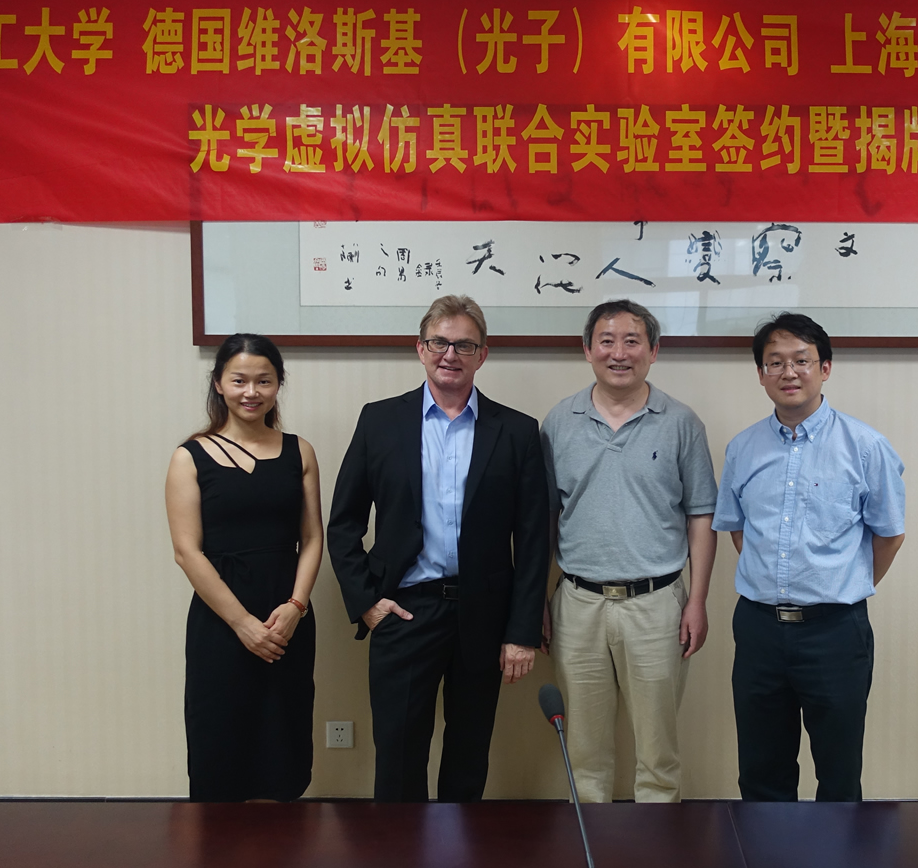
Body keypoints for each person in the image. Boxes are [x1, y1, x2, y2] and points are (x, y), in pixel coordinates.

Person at [328, 295, 550, 802]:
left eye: (464, 345)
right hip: (404, 611)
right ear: (421, 349)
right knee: (399, 755)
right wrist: (367, 602)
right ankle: (400, 851)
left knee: (469, 754)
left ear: (482, 355)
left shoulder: (516, 431)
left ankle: (458, 851)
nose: (451, 354)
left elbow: (533, 539)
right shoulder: (380, 421)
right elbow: (342, 524)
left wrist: (521, 632)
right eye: (439, 343)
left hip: (483, 615)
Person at [712, 313, 905, 802]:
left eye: (801, 360)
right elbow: (738, 529)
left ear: (825, 368)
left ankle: (835, 857)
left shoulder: (865, 447)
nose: (789, 372)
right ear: (761, 374)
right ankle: (767, 854)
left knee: (838, 774)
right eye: (775, 362)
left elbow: (889, 535)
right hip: (759, 629)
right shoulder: (742, 448)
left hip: (835, 631)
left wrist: (839, 582)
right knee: (762, 772)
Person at [540, 299, 718, 803]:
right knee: (584, 750)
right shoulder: (559, 422)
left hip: (657, 605)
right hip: (578, 603)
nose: (619, 353)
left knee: (658, 752)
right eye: (607, 341)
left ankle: (655, 843)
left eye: (632, 341)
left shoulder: (681, 423)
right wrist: (538, 600)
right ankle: (590, 841)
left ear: (653, 351)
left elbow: (701, 515)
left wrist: (697, 600)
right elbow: (544, 519)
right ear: (587, 349)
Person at [165, 334, 324, 801]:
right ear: (218, 383)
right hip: (221, 621)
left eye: (263, 381)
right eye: (239, 380)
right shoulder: (189, 456)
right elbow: (186, 552)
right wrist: (243, 624)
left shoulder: (300, 451)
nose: (251, 392)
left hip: (286, 619)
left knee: (284, 742)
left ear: (278, 385)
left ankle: (283, 844)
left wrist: (296, 606)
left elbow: (313, 538)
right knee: (220, 743)